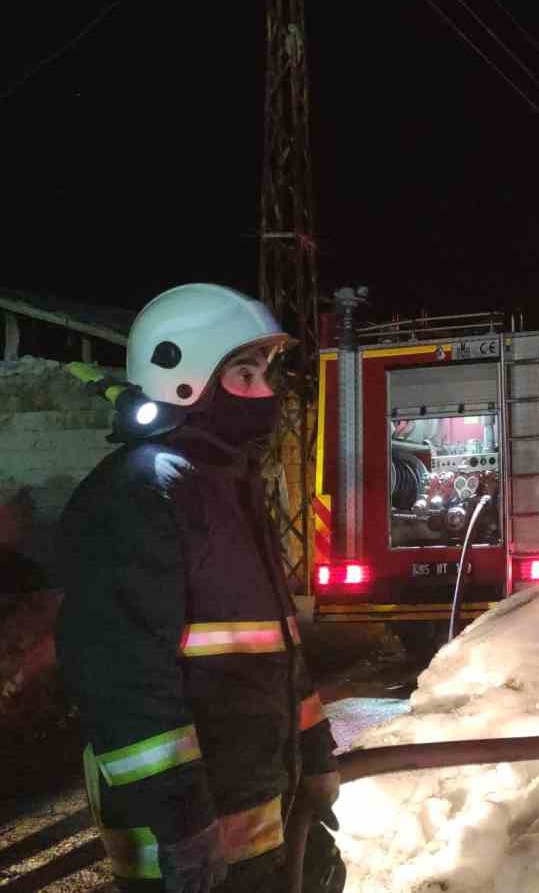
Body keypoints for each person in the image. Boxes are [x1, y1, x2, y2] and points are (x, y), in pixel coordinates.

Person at [56, 283, 341, 892]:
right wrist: (181, 823)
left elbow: (277, 645)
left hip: (264, 815)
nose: (267, 393)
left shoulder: (223, 486)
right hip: (186, 846)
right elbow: (120, 677)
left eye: (265, 373)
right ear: (183, 381)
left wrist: (314, 756)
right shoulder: (140, 495)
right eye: (245, 374)